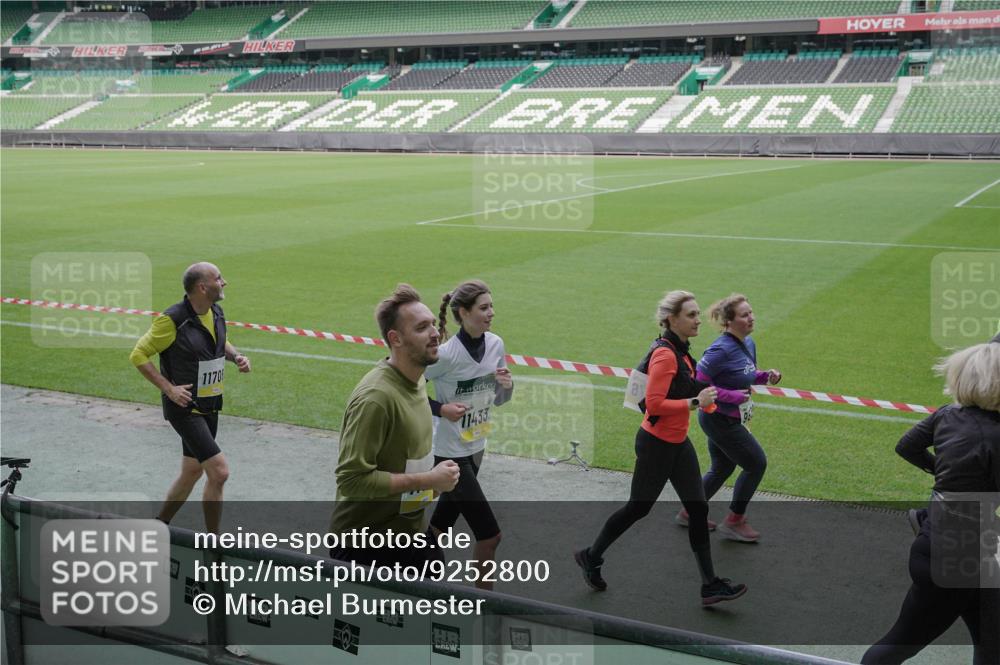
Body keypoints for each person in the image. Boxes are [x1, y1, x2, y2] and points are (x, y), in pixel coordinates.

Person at [574, 290, 748, 605]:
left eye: (697, 314)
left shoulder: (681, 351)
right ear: (671, 319)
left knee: (698, 508)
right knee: (638, 508)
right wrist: (697, 402)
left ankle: (710, 584)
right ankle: (591, 555)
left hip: (677, 443)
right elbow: (654, 404)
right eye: (691, 315)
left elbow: (686, 386)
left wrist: (718, 396)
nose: (698, 320)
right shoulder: (666, 355)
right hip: (656, 446)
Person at [863, 343, 1000, 665]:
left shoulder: (947, 414)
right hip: (963, 557)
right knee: (899, 645)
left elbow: (907, 446)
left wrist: (945, 475)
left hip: (946, 545)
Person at [329, 284, 460, 567]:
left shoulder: (416, 381)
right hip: (366, 549)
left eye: (434, 325)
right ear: (395, 339)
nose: (436, 333)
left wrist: (434, 485)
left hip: (410, 536)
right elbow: (351, 480)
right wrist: (429, 480)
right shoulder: (376, 399)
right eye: (422, 327)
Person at [130, 262, 251, 534]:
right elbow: (138, 355)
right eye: (219, 278)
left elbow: (221, 341)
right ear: (202, 287)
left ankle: (159, 525)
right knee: (219, 472)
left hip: (210, 404)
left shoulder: (215, 311)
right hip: (185, 409)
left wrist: (236, 357)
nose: (225, 282)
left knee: (192, 471)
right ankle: (213, 542)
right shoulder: (171, 320)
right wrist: (168, 388)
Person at [424, 280, 513, 590]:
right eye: (484, 307)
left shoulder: (496, 344)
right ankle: (484, 609)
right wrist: (441, 409)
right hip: (450, 454)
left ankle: (409, 579)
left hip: (477, 447)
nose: (491, 313)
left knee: (437, 529)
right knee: (490, 536)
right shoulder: (446, 355)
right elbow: (406, 389)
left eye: (491, 306)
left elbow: (500, 401)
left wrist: (505, 387)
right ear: (463, 312)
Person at [687, 294, 781, 543]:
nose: (751, 318)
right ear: (728, 322)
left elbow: (746, 375)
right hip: (718, 419)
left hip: (731, 419)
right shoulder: (719, 350)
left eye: (751, 313)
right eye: (744, 315)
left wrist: (765, 376)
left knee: (722, 467)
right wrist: (731, 397)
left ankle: (689, 512)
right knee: (756, 464)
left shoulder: (748, 343)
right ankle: (734, 521)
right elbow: (698, 385)